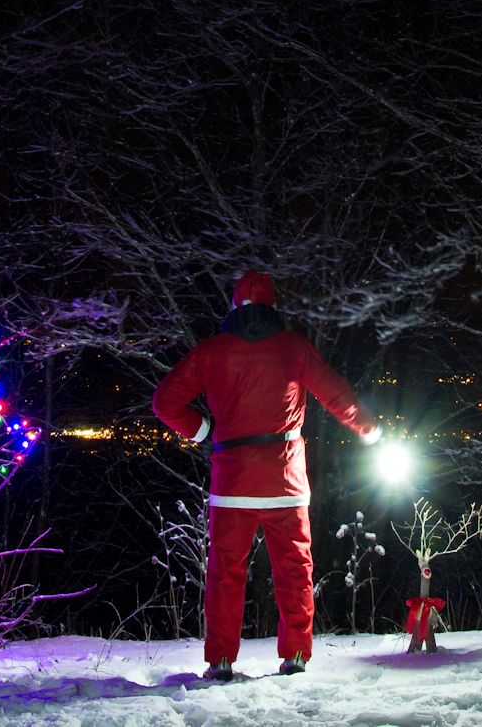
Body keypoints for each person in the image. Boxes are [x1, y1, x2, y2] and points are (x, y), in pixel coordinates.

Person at [152, 270, 381, 681]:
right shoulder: (293, 348)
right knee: (294, 571)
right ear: (273, 306)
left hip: (233, 483)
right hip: (285, 483)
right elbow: (336, 394)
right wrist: (369, 428)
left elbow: (164, 401)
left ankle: (221, 660)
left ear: (236, 305)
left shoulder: (212, 351)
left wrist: (203, 431)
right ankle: (295, 655)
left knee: (225, 576)